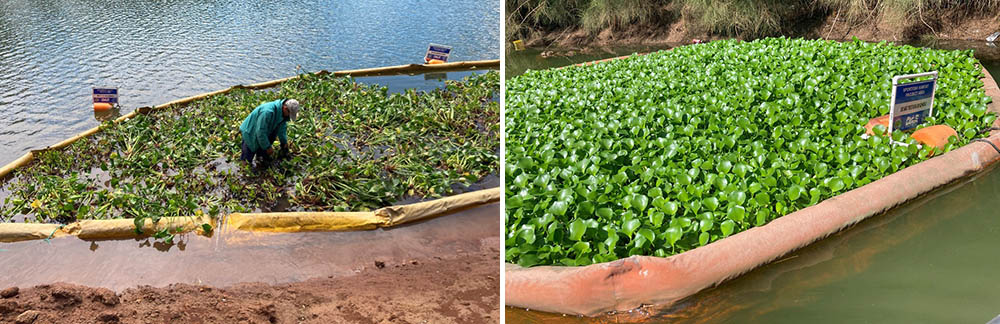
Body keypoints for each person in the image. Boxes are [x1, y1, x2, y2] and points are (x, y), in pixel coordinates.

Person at [239, 98, 299, 166]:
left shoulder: (282, 114)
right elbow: (261, 132)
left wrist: (284, 143)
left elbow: (282, 129)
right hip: (250, 132)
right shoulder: (268, 112)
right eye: (289, 114)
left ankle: (260, 159)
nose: (288, 116)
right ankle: (244, 173)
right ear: (285, 108)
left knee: (263, 154)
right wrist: (267, 147)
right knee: (247, 159)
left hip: (265, 130)